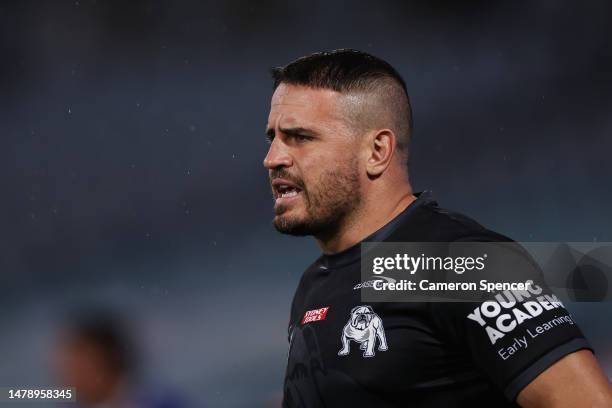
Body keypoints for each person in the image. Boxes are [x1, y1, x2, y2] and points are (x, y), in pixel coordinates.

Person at [263, 49, 612, 407]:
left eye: (301, 137)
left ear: (377, 150)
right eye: (272, 137)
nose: (272, 158)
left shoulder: (452, 262)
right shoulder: (315, 284)